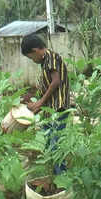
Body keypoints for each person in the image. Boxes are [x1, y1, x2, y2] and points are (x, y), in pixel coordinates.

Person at [21, 34, 70, 174]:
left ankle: (62, 177)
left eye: (31, 57)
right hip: (50, 110)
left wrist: (40, 102)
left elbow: (56, 82)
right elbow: (45, 87)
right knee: (48, 143)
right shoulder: (44, 63)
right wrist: (31, 98)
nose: (32, 60)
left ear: (36, 50)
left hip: (59, 108)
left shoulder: (52, 57)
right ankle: (55, 175)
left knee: (55, 144)